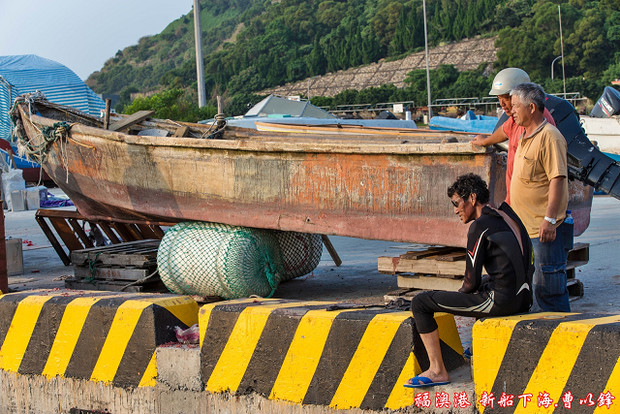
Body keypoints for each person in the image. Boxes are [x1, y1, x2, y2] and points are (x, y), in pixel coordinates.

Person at [405, 173, 533, 388]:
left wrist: (453, 298)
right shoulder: (507, 216)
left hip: (501, 302)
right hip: (525, 298)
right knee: (485, 284)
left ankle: (437, 370)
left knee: (421, 302)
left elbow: (470, 282)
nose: (455, 210)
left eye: (457, 203)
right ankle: (476, 348)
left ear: (472, 198)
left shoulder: (479, 226)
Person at [509, 82, 572, 312]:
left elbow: (557, 179)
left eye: (516, 106)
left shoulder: (550, 137)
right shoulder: (526, 135)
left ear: (532, 107)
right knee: (536, 291)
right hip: (528, 229)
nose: (512, 110)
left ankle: (560, 342)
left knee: (550, 290)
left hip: (545, 229)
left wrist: (550, 219)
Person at [471, 68, 556, 205]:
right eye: (499, 98)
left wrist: (550, 217)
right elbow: (505, 131)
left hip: (533, 206)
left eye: (507, 98)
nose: (502, 104)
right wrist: (485, 141)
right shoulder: (517, 118)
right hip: (515, 202)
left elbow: (556, 177)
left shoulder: (539, 125)